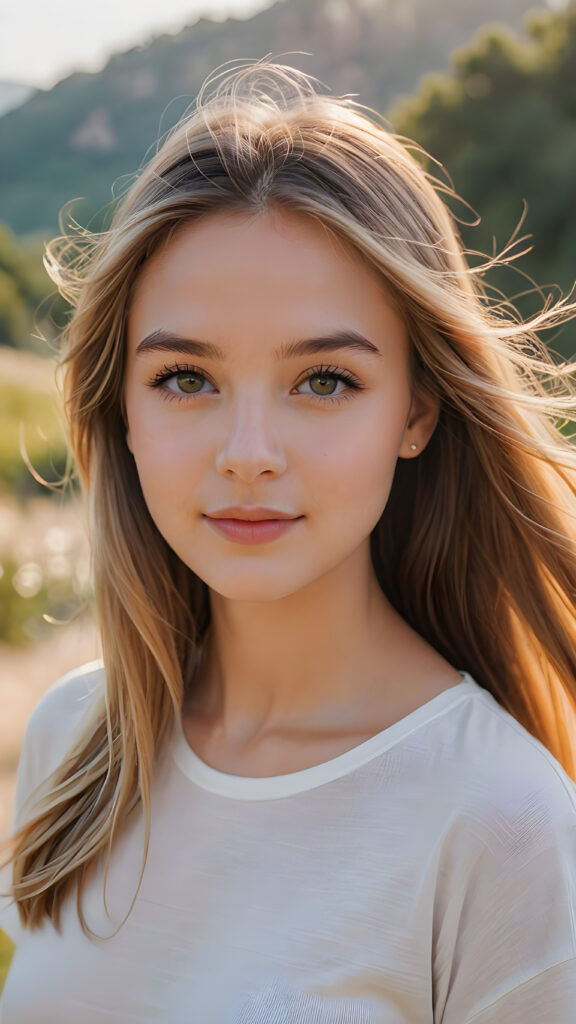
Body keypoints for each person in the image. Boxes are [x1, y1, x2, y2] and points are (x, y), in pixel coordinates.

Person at [1, 57, 576, 1023]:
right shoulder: (75, 744)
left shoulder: (507, 831)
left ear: (418, 411)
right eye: (187, 378)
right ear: (123, 412)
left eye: (324, 381)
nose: (248, 454)